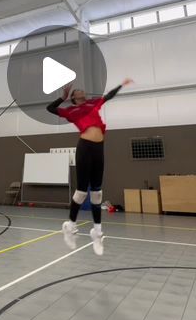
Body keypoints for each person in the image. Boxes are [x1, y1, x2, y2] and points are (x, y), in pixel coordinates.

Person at [46, 78, 133, 255]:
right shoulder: (71, 111)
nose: (83, 91)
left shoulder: (93, 104)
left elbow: (108, 96)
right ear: (74, 97)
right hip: (85, 147)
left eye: (83, 90)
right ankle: (70, 225)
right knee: (81, 192)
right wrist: (62, 97)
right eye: (79, 91)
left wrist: (121, 85)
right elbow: (50, 109)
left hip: (99, 148)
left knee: (97, 193)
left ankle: (97, 232)